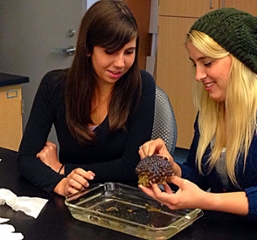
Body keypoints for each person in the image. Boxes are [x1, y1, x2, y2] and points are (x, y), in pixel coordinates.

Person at [138, 8, 257, 227]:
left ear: (239, 60)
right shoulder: (212, 108)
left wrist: (208, 200)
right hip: (226, 228)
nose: (198, 75)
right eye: (194, 64)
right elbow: (198, 176)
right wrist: (172, 169)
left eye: (207, 63)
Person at [17, 0, 156, 197]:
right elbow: (26, 158)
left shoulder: (142, 85)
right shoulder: (54, 86)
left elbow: (131, 167)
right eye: (110, 52)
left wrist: (63, 169)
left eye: (129, 52)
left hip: (124, 201)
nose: (120, 63)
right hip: (73, 200)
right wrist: (60, 184)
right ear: (88, 49)